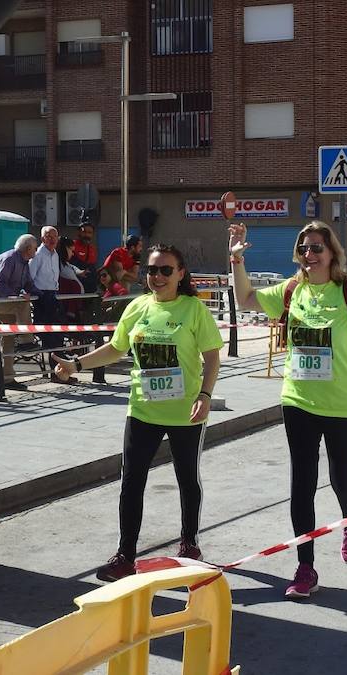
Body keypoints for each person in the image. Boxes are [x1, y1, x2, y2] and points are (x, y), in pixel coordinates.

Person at [228, 220, 347, 599]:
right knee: (302, 484)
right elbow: (246, 299)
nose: (308, 254)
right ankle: (305, 566)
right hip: (298, 400)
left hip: (343, 403)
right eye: (303, 248)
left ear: (332, 253)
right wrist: (235, 261)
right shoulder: (291, 289)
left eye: (316, 248)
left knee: (341, 478)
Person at [53, 244, 223, 582]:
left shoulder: (193, 309)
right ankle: (125, 555)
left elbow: (213, 357)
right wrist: (76, 364)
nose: (157, 276)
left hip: (184, 411)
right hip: (143, 410)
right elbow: (116, 348)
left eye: (165, 270)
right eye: (152, 270)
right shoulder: (137, 307)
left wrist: (205, 395)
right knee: (131, 482)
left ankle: (190, 544)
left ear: (180, 274)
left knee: (187, 479)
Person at [0, 234, 39, 391]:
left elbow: (29, 284)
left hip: (6, 299)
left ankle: (7, 378)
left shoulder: (24, 262)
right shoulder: (9, 258)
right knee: (22, 305)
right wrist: (14, 296)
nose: (36, 250)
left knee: (7, 338)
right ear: (28, 249)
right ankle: (26, 341)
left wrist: (42, 295)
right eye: (35, 248)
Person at [29, 226, 69, 381]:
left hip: (53, 295)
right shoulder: (38, 255)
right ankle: (56, 373)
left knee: (59, 335)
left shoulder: (56, 254)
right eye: (48, 236)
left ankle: (61, 372)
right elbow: (30, 277)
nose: (52, 239)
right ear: (42, 238)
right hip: (42, 297)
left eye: (55, 236)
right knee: (51, 337)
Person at [71, 221, 98, 293]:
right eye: (84, 232)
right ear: (79, 232)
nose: (87, 235)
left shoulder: (92, 249)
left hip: (90, 288)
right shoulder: (72, 245)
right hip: (75, 287)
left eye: (90, 233)